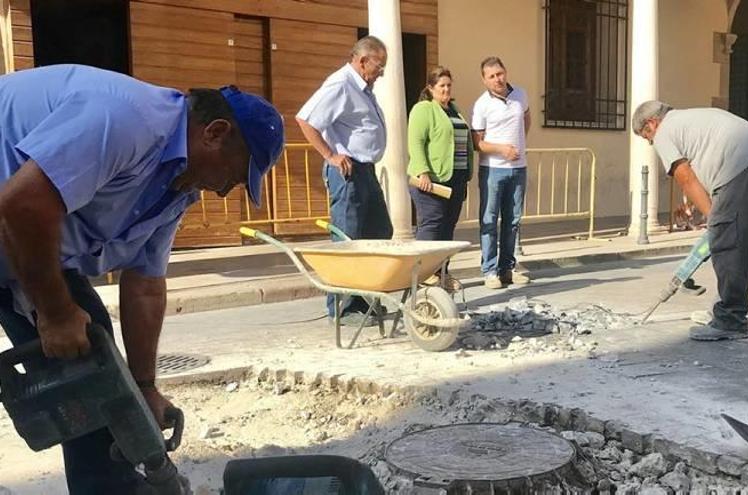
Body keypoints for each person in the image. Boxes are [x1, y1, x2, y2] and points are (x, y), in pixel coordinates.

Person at [0, 64, 284, 493]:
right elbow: (22, 205)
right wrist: (55, 313)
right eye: (235, 173)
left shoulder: (177, 186)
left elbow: (146, 286)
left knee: (92, 363)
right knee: (76, 338)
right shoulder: (125, 120)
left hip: (21, 237)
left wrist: (144, 387)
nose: (228, 191)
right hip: (16, 217)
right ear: (215, 133)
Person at [632, 100, 748, 341]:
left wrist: (714, 218)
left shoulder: (664, 132)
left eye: (647, 137)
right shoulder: (697, 116)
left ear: (652, 123)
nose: (652, 143)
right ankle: (729, 309)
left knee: (727, 243)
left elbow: (685, 177)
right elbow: (709, 161)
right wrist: (700, 205)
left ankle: (729, 320)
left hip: (740, 169)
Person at [296, 36, 392, 326]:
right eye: (380, 66)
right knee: (348, 239)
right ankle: (343, 307)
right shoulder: (340, 84)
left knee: (377, 231)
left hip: (366, 170)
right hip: (347, 172)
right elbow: (306, 120)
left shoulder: (363, 87)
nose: (381, 72)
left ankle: (363, 299)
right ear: (363, 61)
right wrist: (330, 156)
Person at [407, 66, 473, 292]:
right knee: (431, 225)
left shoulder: (453, 109)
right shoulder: (424, 109)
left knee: (447, 230)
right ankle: (423, 273)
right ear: (431, 88)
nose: (446, 89)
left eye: (448, 85)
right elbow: (415, 142)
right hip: (432, 180)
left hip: (456, 178)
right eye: (441, 86)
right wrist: (422, 171)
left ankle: (442, 272)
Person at [471, 56, 531, 289]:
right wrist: (502, 149)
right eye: (492, 76)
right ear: (484, 80)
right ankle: (489, 270)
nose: (498, 79)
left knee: (513, 220)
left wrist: (519, 145)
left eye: (500, 73)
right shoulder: (481, 105)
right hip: (493, 169)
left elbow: (526, 118)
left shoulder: (520, 95)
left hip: (519, 168)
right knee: (489, 219)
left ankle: (508, 267)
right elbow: (478, 143)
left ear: (506, 72)